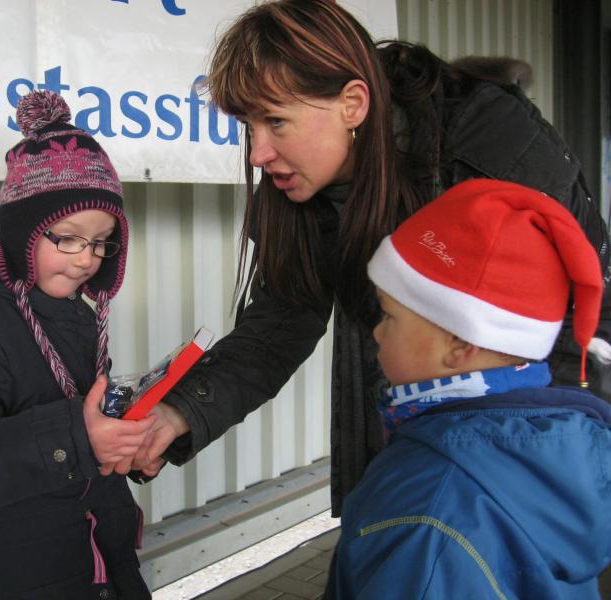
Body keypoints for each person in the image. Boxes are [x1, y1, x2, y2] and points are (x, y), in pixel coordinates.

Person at [130, 0, 611, 519]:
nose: (257, 153)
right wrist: (178, 413)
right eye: (249, 125)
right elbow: (280, 323)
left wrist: (553, 477)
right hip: (405, 437)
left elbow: (581, 322)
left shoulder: (489, 147)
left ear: (353, 104)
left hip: (529, 438)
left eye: (276, 121)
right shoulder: (301, 183)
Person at [0, 90, 154, 599]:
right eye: (68, 238)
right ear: (24, 234)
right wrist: (79, 437)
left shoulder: (78, 315)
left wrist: (122, 438)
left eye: (101, 241)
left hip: (102, 563)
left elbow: (87, 425)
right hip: (21, 577)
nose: (87, 258)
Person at [330, 178, 611, 598]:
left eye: (389, 316)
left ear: (461, 343)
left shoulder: (428, 513)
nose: (376, 332)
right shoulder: (560, 444)